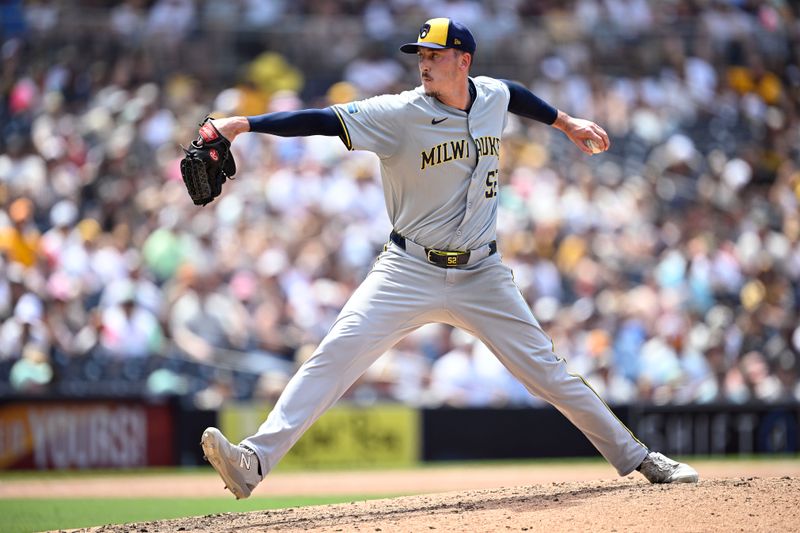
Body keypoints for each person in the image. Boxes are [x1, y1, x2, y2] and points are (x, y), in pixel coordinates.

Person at [199, 17, 699, 499]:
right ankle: (253, 463)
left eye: (435, 55)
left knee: (549, 371)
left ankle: (638, 458)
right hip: (407, 270)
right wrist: (243, 123)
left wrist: (566, 123)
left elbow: (513, 92)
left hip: (482, 272)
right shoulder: (399, 113)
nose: (424, 63)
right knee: (333, 357)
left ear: (464, 61)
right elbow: (322, 120)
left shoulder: (491, 97)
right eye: (420, 55)